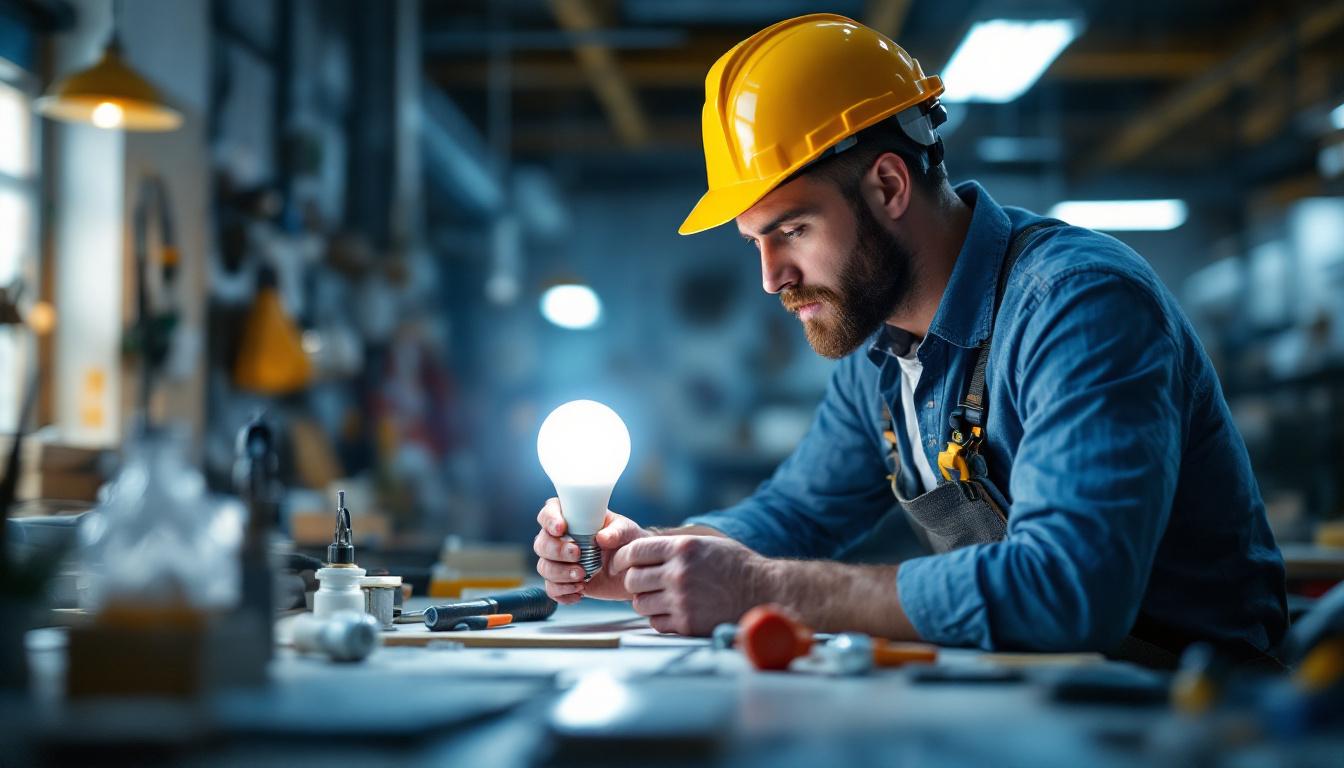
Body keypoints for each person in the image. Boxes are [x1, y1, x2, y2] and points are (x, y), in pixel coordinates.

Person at [533, 13, 1287, 666]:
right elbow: (796, 513)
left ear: (889, 186)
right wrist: (652, 555)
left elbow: (1069, 589)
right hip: (1053, 695)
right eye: (756, 241)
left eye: (793, 230)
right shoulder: (881, 350)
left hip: (1199, 713)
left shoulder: (1078, 305)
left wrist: (765, 588)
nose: (771, 277)